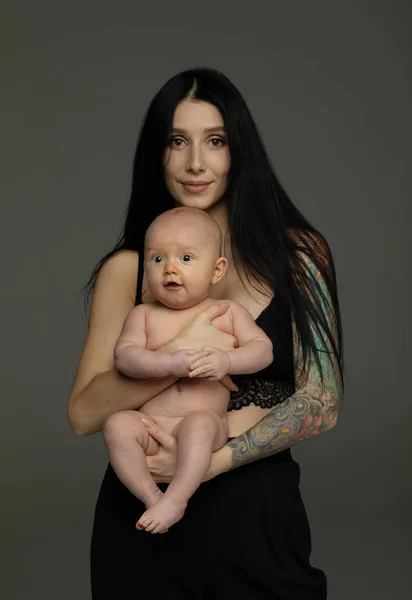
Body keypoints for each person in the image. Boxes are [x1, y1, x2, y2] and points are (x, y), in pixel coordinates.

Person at [67, 67, 343, 599]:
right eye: (177, 142)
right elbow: (83, 415)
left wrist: (204, 465)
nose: (196, 162)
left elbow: (322, 402)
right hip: (142, 525)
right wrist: (182, 351)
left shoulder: (301, 255)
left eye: (215, 141)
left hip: (255, 521)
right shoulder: (130, 269)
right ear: (158, 153)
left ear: (238, 150)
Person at [104, 206, 273, 534]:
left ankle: (177, 498)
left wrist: (227, 361)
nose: (169, 269)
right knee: (117, 425)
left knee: (198, 426)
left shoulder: (227, 311)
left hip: (203, 424)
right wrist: (169, 364)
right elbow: (125, 357)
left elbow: (262, 350)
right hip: (153, 426)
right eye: (157, 259)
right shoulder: (143, 315)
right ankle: (152, 497)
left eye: (186, 258)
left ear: (217, 269)